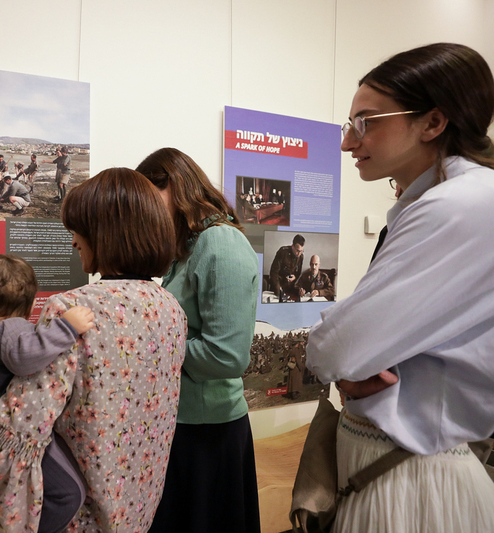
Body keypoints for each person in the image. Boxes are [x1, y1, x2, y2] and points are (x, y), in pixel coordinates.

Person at [306, 43, 494, 532]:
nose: (348, 142)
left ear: (432, 123)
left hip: (412, 474)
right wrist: (351, 357)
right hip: (397, 462)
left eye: (366, 121)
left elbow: (334, 350)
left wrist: (345, 361)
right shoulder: (443, 201)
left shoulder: (459, 205)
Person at [0, 168, 186, 532]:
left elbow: (22, 426)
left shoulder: (72, 308)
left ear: (104, 234)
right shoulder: (170, 308)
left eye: (76, 231)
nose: (72, 243)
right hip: (138, 507)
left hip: (79, 515)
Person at [136, 147, 261, 533]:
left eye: (148, 196)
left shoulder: (219, 243)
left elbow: (226, 357)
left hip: (208, 432)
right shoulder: (186, 250)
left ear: (171, 184)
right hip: (183, 424)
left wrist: (153, 345)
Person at [0, 254, 95, 533]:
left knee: (1, 498)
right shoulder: (12, 328)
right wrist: (67, 328)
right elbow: (24, 357)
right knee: (69, 493)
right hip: (11, 431)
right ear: (29, 310)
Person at [268, 233, 305, 300]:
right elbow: (274, 273)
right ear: (292, 246)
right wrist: (279, 290)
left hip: (290, 288)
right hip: (277, 288)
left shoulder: (301, 257)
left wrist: (295, 277)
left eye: (301, 251)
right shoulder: (283, 252)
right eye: (297, 250)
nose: (299, 253)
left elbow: (298, 273)